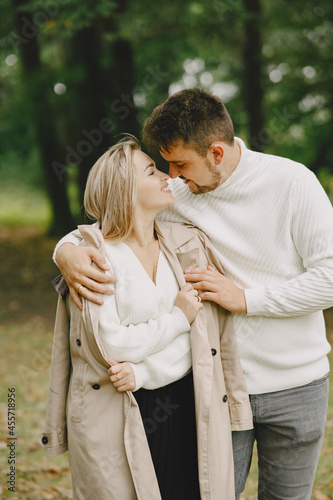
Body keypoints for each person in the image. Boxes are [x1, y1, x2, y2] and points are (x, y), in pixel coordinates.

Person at [53, 89, 333, 499]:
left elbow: (329, 277)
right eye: (164, 165)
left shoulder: (293, 183)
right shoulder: (180, 192)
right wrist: (66, 252)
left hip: (299, 386)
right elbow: (111, 218)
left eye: (180, 163)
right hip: (217, 388)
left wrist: (246, 298)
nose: (172, 175)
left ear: (216, 154)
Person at [41, 137, 252, 500]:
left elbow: (199, 344)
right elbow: (110, 344)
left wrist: (144, 371)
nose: (167, 177)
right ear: (124, 187)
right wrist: (176, 319)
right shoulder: (95, 260)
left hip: (186, 404)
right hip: (120, 409)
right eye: (152, 170)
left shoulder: (184, 246)